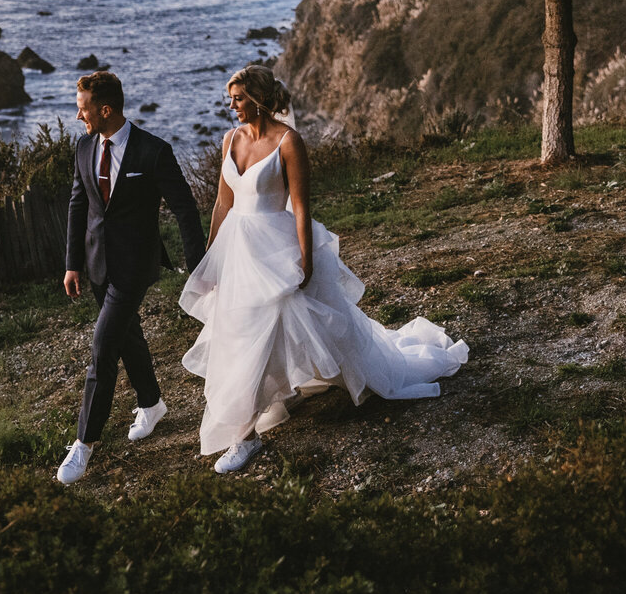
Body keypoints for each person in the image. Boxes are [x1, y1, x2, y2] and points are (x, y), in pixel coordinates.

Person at [180, 65, 468, 473]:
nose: (232, 106)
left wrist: (306, 261)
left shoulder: (288, 142)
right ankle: (253, 423)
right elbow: (223, 205)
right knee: (237, 335)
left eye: (238, 98)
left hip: (274, 250)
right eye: (230, 99)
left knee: (284, 328)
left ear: (259, 98)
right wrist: (210, 260)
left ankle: (243, 437)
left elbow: (300, 206)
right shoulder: (230, 139)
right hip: (236, 253)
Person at [57, 71, 206, 485]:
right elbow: (77, 205)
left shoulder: (153, 152)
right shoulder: (84, 146)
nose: (78, 115)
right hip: (94, 264)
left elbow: (185, 210)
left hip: (134, 266)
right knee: (127, 337)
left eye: (83, 108)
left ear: (105, 109)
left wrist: (199, 267)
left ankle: (84, 445)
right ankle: (152, 402)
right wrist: (72, 263)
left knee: (102, 349)